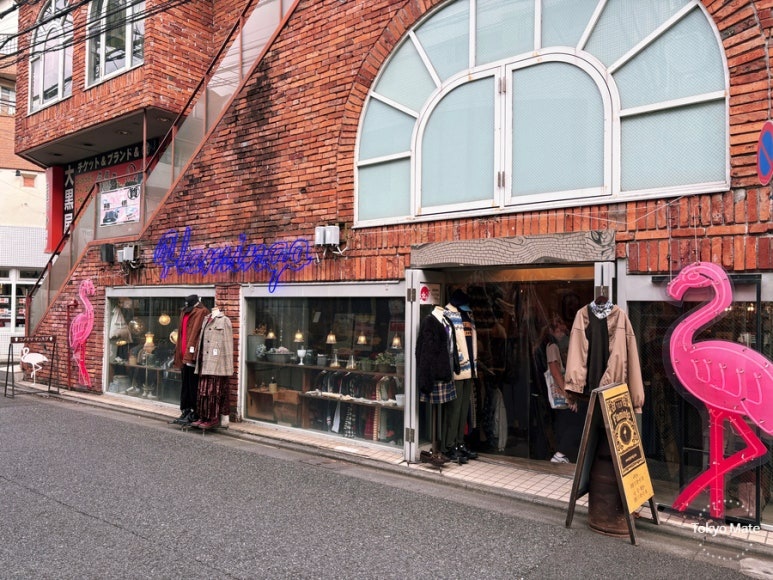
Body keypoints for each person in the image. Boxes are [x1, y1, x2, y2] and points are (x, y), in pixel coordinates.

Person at [564, 295, 644, 420]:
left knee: (609, 437)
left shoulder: (620, 317)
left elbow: (632, 357)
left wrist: (636, 401)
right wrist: (571, 391)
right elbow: (575, 353)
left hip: (613, 393)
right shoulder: (582, 316)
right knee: (591, 437)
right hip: (588, 394)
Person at [443, 289, 479, 463]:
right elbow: (449, 344)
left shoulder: (468, 315)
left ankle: (459, 443)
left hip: (470, 369)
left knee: (464, 410)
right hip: (457, 370)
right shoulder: (447, 315)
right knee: (455, 410)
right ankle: (449, 446)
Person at [542, 316, 584, 463]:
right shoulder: (552, 346)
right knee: (575, 422)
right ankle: (560, 453)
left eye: (562, 330)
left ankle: (561, 453)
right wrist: (568, 394)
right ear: (552, 331)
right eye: (558, 331)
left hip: (562, 391)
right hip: (561, 391)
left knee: (564, 422)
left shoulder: (554, 345)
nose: (561, 334)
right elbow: (554, 371)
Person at [192, 305, 234, 430]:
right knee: (203, 391)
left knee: (213, 392)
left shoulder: (224, 320)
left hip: (217, 364)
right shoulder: (206, 319)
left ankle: (213, 418)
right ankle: (203, 416)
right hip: (205, 362)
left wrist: (227, 366)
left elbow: (228, 344)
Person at [172, 294, 210, 425]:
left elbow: (198, 335)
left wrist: (191, 354)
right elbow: (182, 333)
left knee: (194, 385)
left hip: (193, 355)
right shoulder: (184, 311)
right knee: (185, 385)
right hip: (183, 353)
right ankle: (186, 409)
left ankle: (195, 412)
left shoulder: (202, 312)